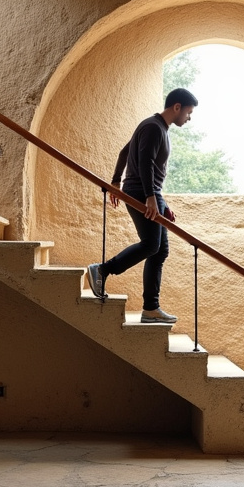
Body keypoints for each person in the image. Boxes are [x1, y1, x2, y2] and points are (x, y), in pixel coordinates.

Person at [87, 88, 198, 323]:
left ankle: (150, 309)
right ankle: (103, 270)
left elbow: (125, 151)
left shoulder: (157, 128)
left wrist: (119, 182)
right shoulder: (153, 127)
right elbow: (145, 162)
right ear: (176, 107)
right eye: (188, 112)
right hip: (141, 191)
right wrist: (149, 197)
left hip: (148, 192)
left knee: (160, 249)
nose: (189, 118)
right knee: (150, 244)